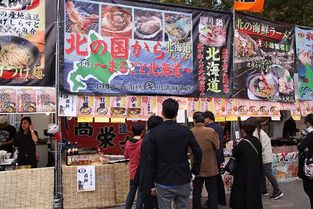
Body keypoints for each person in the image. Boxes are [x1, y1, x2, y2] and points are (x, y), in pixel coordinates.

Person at [147, 98, 202, 209]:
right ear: (177, 113)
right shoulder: (186, 131)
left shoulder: (153, 133)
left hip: (162, 179)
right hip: (183, 177)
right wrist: (194, 171)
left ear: (162, 112)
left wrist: (151, 181)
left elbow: (150, 159)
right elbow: (198, 151)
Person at [230, 118, 263, 209]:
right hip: (255, 173)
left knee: (242, 194)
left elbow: (235, 154)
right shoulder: (257, 141)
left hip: (243, 173)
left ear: (243, 130)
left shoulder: (242, 143)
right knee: (253, 194)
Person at [191, 112, 219, 209]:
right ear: (203, 120)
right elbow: (217, 146)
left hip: (197, 167)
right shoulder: (211, 131)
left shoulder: (190, 132)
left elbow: (188, 150)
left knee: (197, 191)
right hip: (210, 166)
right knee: (212, 191)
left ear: (194, 121)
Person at [254, 118, 284, 200]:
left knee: (268, 173)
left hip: (265, 157)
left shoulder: (257, 133)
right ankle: (263, 190)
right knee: (262, 173)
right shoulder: (259, 132)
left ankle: (277, 190)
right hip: (265, 156)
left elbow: (258, 146)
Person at [139, 115, 163, 209]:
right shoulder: (151, 139)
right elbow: (150, 163)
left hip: (148, 179)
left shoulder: (148, 137)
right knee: (152, 204)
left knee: (149, 204)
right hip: (150, 180)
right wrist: (152, 184)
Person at [203, 111, 226, 206]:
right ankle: (221, 199)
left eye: (204, 119)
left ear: (208, 118)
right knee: (218, 179)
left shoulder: (209, 129)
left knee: (212, 181)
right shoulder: (219, 128)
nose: (203, 121)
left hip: (212, 157)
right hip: (219, 156)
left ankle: (213, 200)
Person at [124, 123, 145, 209]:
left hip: (132, 172)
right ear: (142, 132)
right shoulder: (143, 142)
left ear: (132, 131)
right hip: (141, 172)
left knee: (131, 192)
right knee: (140, 193)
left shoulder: (128, 142)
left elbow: (126, 156)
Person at [298, 114, 313, 209]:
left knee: (309, 188)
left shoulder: (310, 134)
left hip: (311, 167)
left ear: (308, 123)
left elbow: (300, 146)